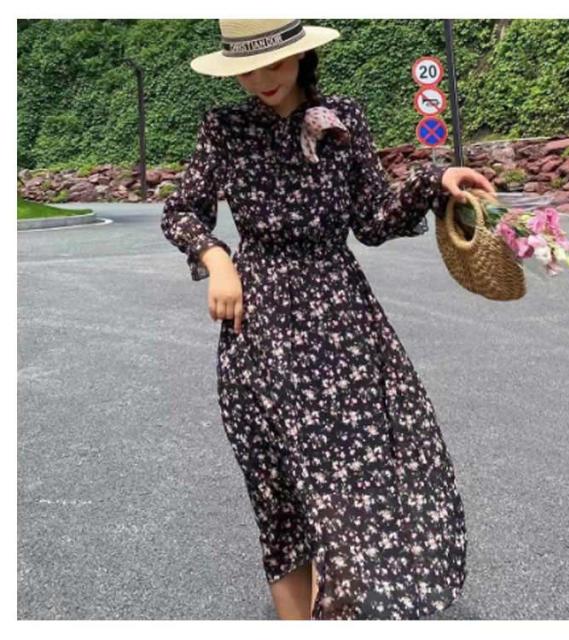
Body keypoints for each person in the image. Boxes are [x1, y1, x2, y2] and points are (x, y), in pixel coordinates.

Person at [161, 19, 495, 620]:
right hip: (260, 326)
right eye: (246, 69)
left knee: (352, 479)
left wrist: (434, 182)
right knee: (279, 485)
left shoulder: (345, 120)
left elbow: (372, 219)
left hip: (342, 321)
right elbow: (181, 210)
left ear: (302, 56)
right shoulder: (225, 128)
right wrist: (216, 259)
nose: (260, 80)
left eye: (273, 63)